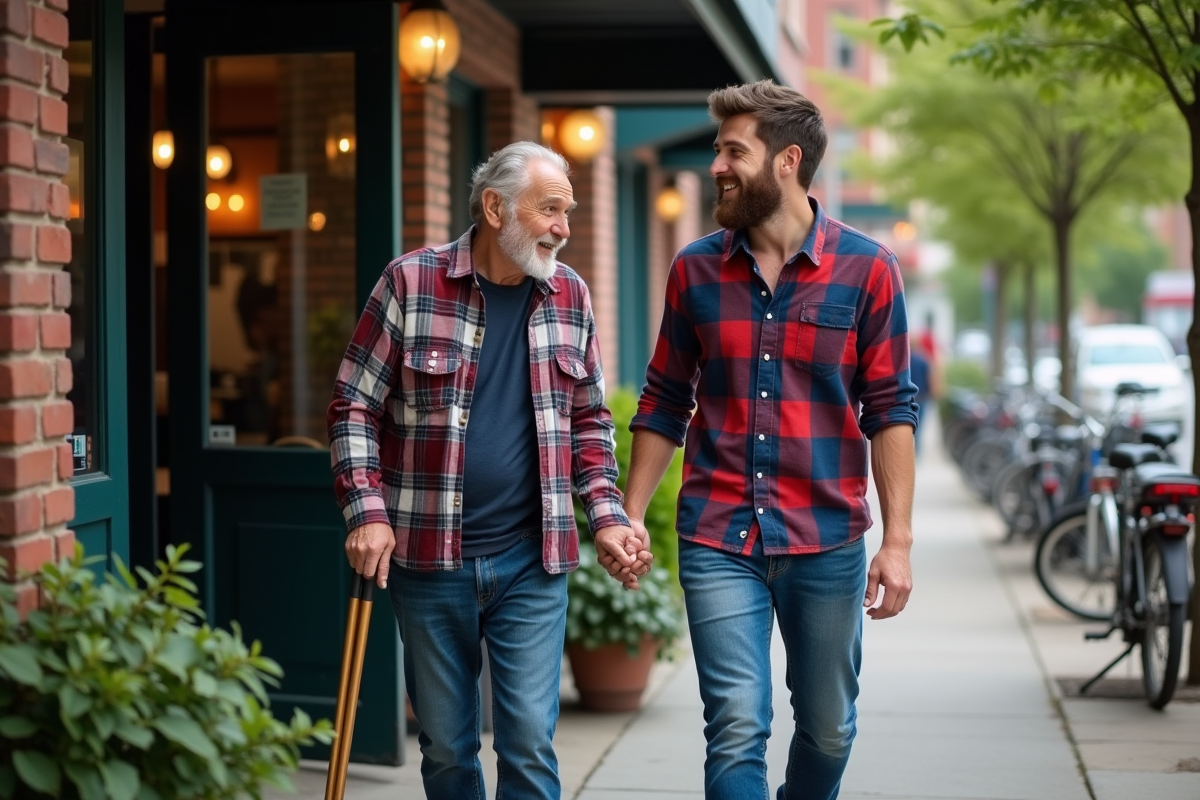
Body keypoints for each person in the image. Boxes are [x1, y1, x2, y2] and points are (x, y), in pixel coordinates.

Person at [611, 80, 918, 800]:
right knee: (736, 724)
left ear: (787, 161)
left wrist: (898, 541)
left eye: (733, 152)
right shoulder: (695, 269)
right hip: (718, 534)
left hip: (827, 538)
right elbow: (664, 398)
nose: (717, 165)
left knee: (829, 728)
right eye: (718, 150)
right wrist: (630, 512)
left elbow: (890, 410)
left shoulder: (868, 269)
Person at [328, 141, 649, 800]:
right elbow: (354, 405)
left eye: (568, 211)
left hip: (531, 559)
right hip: (428, 560)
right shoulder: (410, 282)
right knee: (448, 749)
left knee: (529, 742)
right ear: (496, 208)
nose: (564, 227)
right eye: (550, 209)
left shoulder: (570, 295)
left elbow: (589, 421)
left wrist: (608, 517)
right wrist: (367, 512)